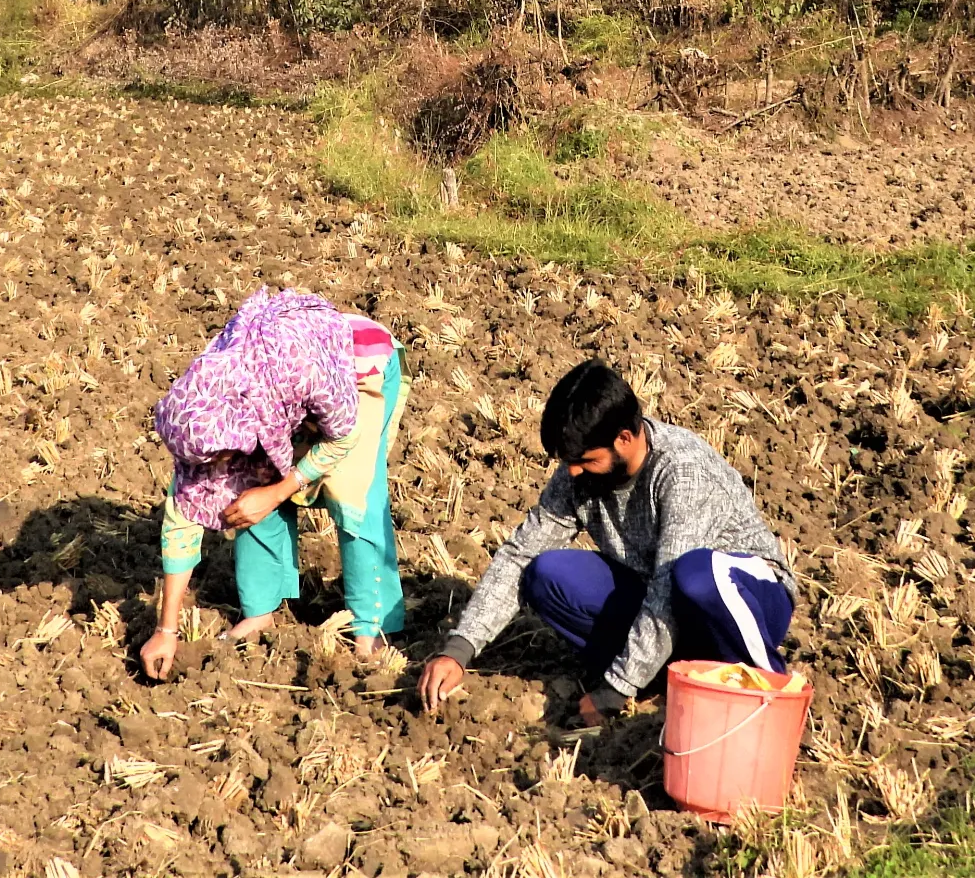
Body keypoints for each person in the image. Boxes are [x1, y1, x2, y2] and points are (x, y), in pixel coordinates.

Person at [416, 359, 794, 725]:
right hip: (665, 604)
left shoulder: (683, 473)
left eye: (585, 460)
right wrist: (459, 649)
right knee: (547, 574)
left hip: (744, 601)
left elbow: (667, 590)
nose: (573, 471)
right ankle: (669, 677)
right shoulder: (578, 473)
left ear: (625, 438)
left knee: (694, 575)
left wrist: (615, 689)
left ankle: (770, 685)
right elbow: (520, 553)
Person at [140, 289, 405, 679]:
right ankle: (261, 610)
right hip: (279, 396)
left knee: (350, 491)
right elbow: (181, 521)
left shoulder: (298, 370)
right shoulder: (200, 407)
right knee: (244, 488)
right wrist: (166, 630)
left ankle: (373, 624)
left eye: (217, 457)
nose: (214, 466)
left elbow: (344, 436)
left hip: (359, 368)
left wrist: (280, 491)